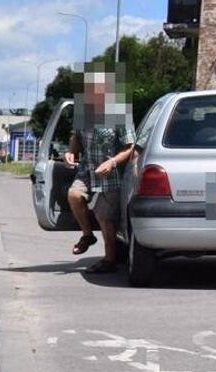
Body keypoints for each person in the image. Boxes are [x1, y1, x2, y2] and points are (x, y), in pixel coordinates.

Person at [64, 65, 136, 274]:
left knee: (105, 217)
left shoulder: (120, 113)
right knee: (73, 194)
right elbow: (76, 137)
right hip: (88, 169)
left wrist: (112, 162)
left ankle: (110, 260)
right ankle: (88, 234)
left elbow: (129, 147)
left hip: (112, 174)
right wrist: (70, 152)